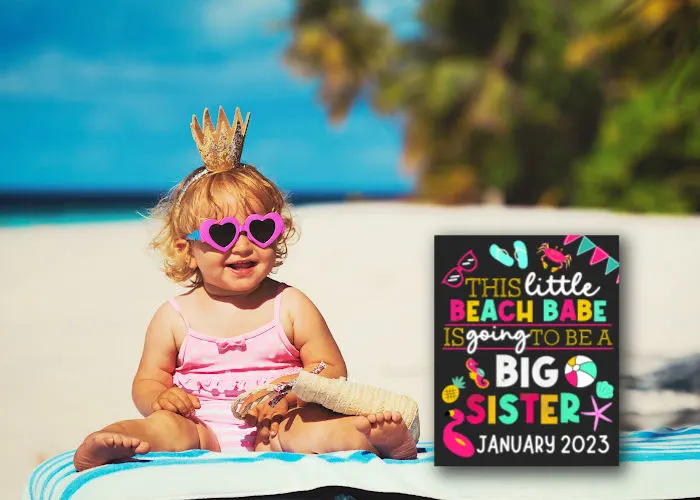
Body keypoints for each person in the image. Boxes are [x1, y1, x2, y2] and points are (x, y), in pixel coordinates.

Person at [73, 106, 417, 472]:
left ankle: (375, 439)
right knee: (164, 429)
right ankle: (111, 441)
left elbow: (331, 368)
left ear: (278, 233)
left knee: (310, 432)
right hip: (200, 426)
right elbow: (148, 379)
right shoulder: (174, 317)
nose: (242, 245)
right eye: (221, 234)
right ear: (186, 250)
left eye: (260, 229)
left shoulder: (289, 305)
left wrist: (293, 392)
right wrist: (161, 397)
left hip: (278, 426)